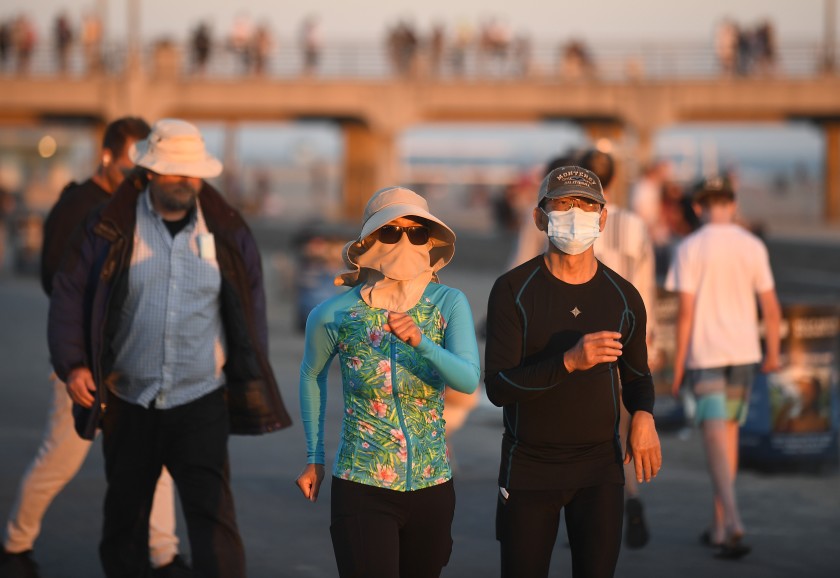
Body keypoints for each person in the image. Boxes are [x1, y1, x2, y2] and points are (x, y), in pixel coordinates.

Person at [47, 118, 292, 578]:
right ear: (151, 171)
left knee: (215, 524)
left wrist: (246, 373)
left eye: (191, 172)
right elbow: (69, 294)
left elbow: (251, 306)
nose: (184, 181)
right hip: (128, 400)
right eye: (174, 171)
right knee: (125, 521)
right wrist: (75, 364)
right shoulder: (108, 226)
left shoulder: (228, 231)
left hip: (200, 400)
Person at [0, 117, 191, 578]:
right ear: (108, 157)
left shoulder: (144, 206)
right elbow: (57, 282)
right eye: (131, 159)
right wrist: (74, 359)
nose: (137, 169)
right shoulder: (79, 206)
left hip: (135, 359)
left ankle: (163, 555)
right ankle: (14, 546)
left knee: (157, 460)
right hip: (84, 363)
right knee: (61, 459)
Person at [485, 166, 661, 578]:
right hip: (528, 466)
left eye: (586, 204)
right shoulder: (513, 291)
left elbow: (637, 376)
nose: (575, 212)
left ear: (603, 218)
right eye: (562, 203)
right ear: (539, 217)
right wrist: (568, 361)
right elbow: (497, 386)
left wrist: (645, 416)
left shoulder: (623, 296)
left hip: (599, 468)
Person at [295, 186, 480, 578]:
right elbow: (311, 375)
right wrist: (314, 457)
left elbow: (467, 379)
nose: (405, 241)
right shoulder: (334, 314)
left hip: (433, 483)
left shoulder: (449, 303)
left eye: (416, 233)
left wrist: (422, 342)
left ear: (430, 242)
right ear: (369, 242)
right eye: (392, 232)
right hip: (361, 481)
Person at [665, 175, 781, 560]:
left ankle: (732, 520)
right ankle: (718, 526)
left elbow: (684, 314)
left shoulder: (690, 246)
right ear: (732, 205)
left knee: (715, 439)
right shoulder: (752, 245)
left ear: (698, 208)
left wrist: (677, 366)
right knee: (726, 440)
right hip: (745, 353)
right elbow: (771, 305)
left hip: (707, 354)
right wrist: (774, 351)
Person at [578, 148, 657, 549]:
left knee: (581, 431)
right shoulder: (633, 225)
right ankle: (630, 497)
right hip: (625, 342)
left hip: (576, 344)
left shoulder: (569, 226)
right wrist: (648, 345)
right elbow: (646, 290)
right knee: (623, 430)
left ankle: (583, 512)